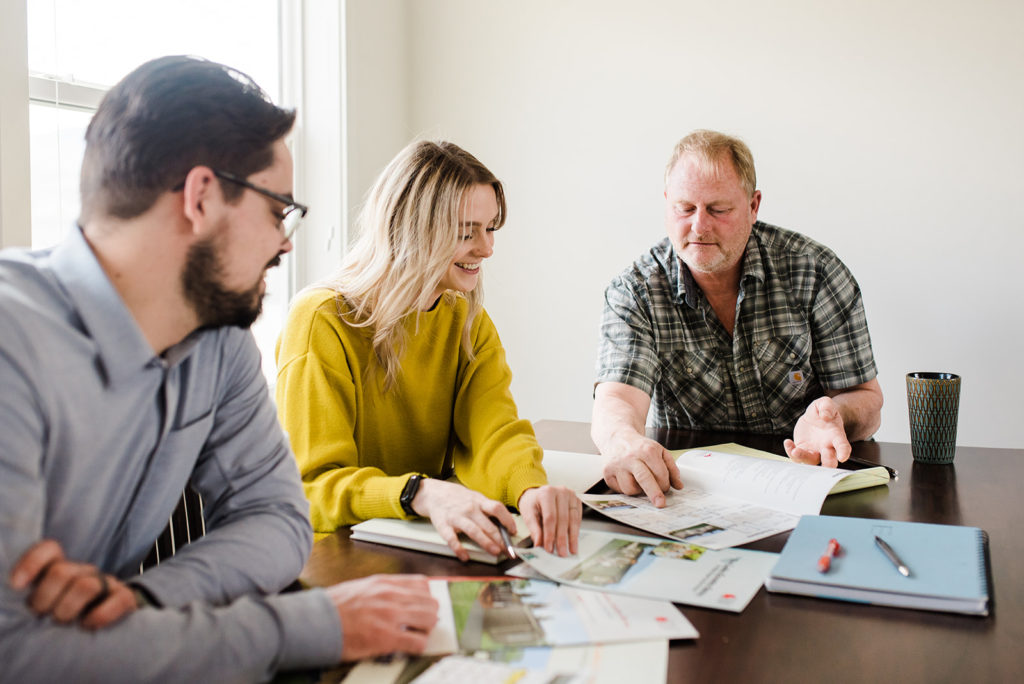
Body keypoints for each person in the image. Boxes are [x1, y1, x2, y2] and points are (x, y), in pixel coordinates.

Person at [0, 56, 439, 683]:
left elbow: (280, 521)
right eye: (277, 210)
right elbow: (15, 654)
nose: (286, 243)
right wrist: (314, 626)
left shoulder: (220, 341)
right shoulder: (12, 344)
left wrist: (143, 600)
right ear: (201, 196)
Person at [275, 140, 581, 562]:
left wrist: (529, 487)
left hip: (419, 543)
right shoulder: (322, 319)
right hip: (335, 555)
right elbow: (310, 488)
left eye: (490, 227)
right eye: (464, 232)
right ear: (409, 229)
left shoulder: (465, 317)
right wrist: (417, 492)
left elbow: (493, 432)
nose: (486, 248)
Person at [592, 129, 883, 506]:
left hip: (813, 483)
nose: (699, 226)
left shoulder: (815, 271)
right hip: (695, 493)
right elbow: (618, 399)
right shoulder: (635, 290)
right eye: (685, 208)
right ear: (666, 203)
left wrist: (834, 415)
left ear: (753, 205)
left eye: (718, 209)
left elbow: (867, 401)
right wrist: (621, 440)